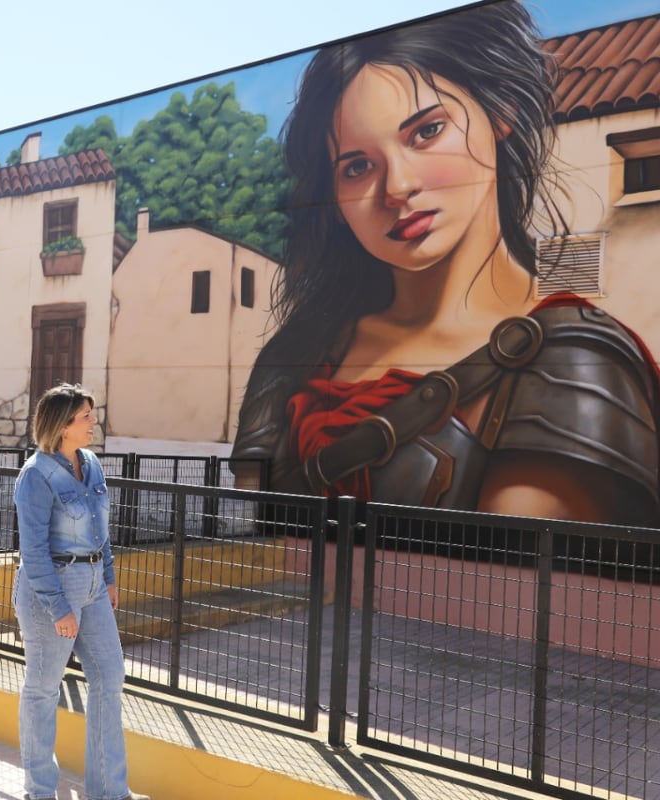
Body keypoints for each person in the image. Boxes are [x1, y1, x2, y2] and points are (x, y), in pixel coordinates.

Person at [231, 0, 660, 526]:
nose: (397, 187)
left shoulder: (574, 358)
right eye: (357, 167)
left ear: (500, 113)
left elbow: (519, 571)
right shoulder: (294, 355)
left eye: (426, 131)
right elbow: (256, 549)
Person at [13, 384, 149, 800]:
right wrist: (59, 607)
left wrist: (107, 577)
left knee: (110, 676)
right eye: (86, 416)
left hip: (92, 585)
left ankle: (110, 791)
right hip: (51, 587)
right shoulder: (36, 475)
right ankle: (39, 791)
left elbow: (99, 529)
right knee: (43, 689)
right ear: (62, 425)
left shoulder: (90, 464)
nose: (94, 422)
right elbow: (33, 550)